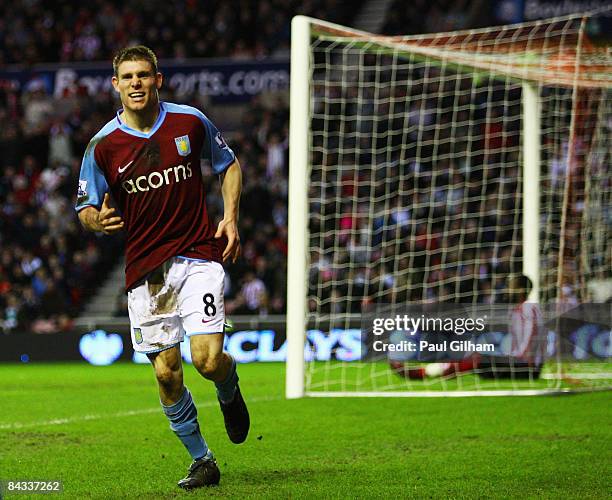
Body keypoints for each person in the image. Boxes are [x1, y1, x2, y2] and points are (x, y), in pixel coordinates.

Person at [75, 46, 249, 490]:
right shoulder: (102, 146)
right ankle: (202, 460)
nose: (136, 83)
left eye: (143, 75)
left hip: (197, 256)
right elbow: (84, 208)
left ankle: (228, 388)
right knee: (166, 373)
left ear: (158, 79)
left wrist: (229, 216)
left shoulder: (188, 121)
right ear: (115, 85)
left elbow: (229, 165)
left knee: (207, 361)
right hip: (147, 271)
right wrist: (98, 220)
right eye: (127, 76)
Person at [392, 274, 544, 380]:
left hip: (526, 366)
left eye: (511, 286)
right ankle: (431, 372)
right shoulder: (517, 310)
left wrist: (520, 359)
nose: (507, 289)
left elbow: (531, 336)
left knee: (476, 359)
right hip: (520, 362)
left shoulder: (528, 308)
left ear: (520, 289)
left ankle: (421, 373)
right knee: (475, 360)